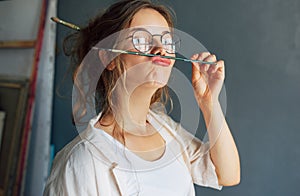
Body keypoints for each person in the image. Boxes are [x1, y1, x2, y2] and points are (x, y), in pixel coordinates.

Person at [44, 0, 240, 195]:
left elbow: (227, 174)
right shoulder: (81, 160)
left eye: (167, 41)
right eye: (140, 40)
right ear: (108, 58)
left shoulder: (166, 129)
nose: (160, 50)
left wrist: (209, 102)